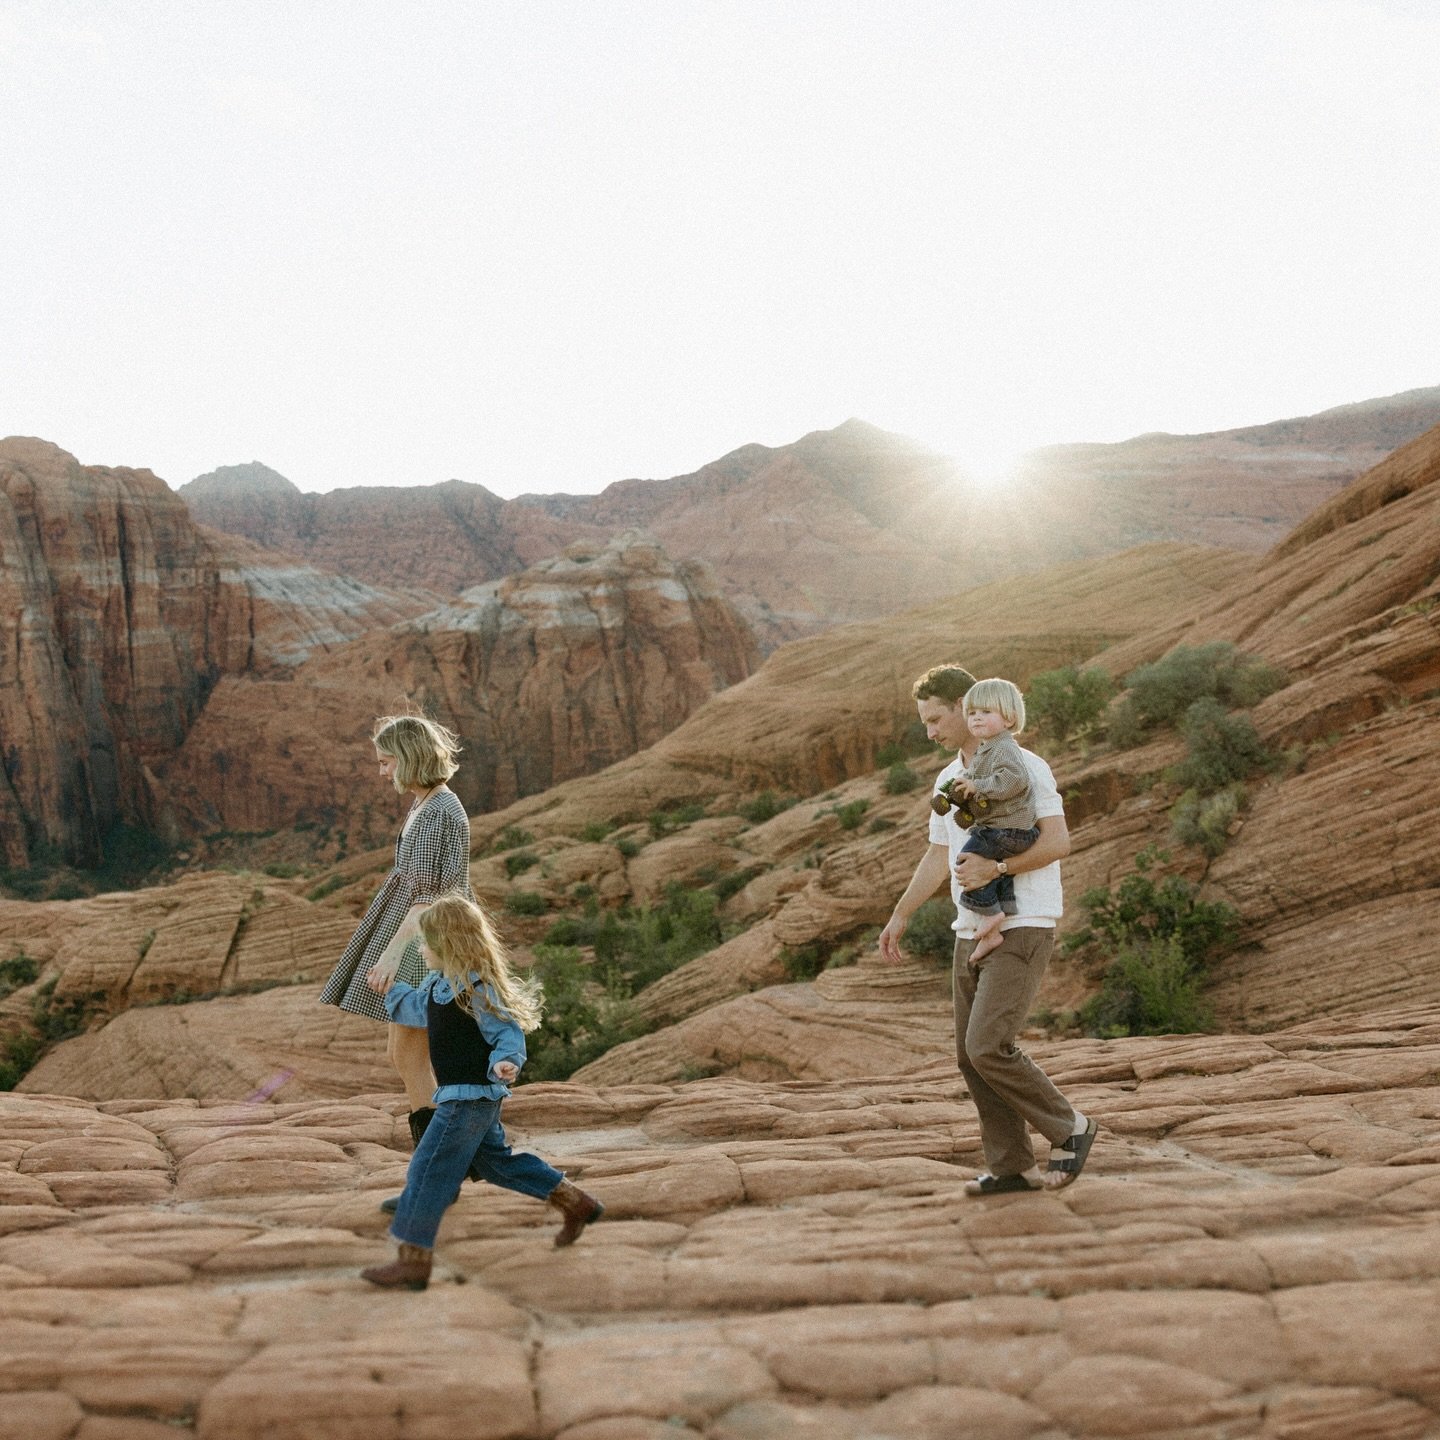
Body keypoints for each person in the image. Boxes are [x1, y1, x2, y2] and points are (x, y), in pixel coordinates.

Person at [879, 664, 1097, 1195]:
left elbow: (1059, 842)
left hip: (1022, 923)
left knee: (987, 1046)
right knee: (970, 1058)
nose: (929, 732)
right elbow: (939, 854)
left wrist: (997, 868)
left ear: (964, 706)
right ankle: (1011, 1167)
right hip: (969, 928)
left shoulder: (1025, 766)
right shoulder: (948, 778)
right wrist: (902, 913)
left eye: (935, 719)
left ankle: (1070, 1127)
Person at [359, 893, 604, 1290]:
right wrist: (389, 989)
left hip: (469, 1100)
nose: (421, 950)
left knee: (427, 1170)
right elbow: (418, 1010)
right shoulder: (439, 985)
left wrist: (505, 1061)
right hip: (463, 1099)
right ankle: (577, 1204)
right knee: (495, 1165)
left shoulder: (478, 989)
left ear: (447, 944)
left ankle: (413, 1260)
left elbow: (507, 1033)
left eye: (426, 943)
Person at [319, 714, 475, 1168]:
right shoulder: (426, 803)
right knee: (401, 1052)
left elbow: (427, 898)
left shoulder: (438, 811)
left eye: (386, 762)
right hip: (422, 930)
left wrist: (391, 955)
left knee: (410, 1052)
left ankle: (444, 1153)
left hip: (429, 939)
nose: (382, 772)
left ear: (409, 759)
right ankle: (445, 1147)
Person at [934, 677, 1040, 965]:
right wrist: (959, 789)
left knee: (966, 861)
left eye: (986, 712)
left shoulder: (1005, 748)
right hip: (1007, 830)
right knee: (990, 867)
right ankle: (1000, 912)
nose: (977, 718)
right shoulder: (987, 749)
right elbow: (974, 776)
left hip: (1010, 829)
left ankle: (991, 917)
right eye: (971, 713)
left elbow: (1014, 780)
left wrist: (978, 786)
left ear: (1009, 719)